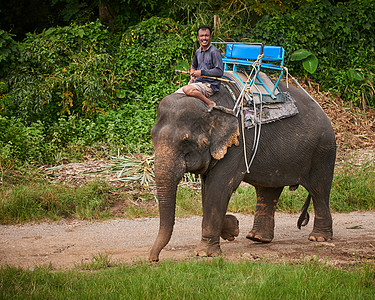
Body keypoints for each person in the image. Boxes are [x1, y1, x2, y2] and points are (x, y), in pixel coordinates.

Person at [176, 25, 224, 112]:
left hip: (209, 85)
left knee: (187, 89)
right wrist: (193, 75)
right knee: (175, 96)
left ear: (210, 37)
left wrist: (202, 72)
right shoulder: (198, 51)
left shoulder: (215, 52)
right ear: (198, 38)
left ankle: (210, 103)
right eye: (202, 36)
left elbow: (219, 71)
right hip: (198, 82)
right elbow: (193, 66)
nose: (204, 38)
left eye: (206, 35)